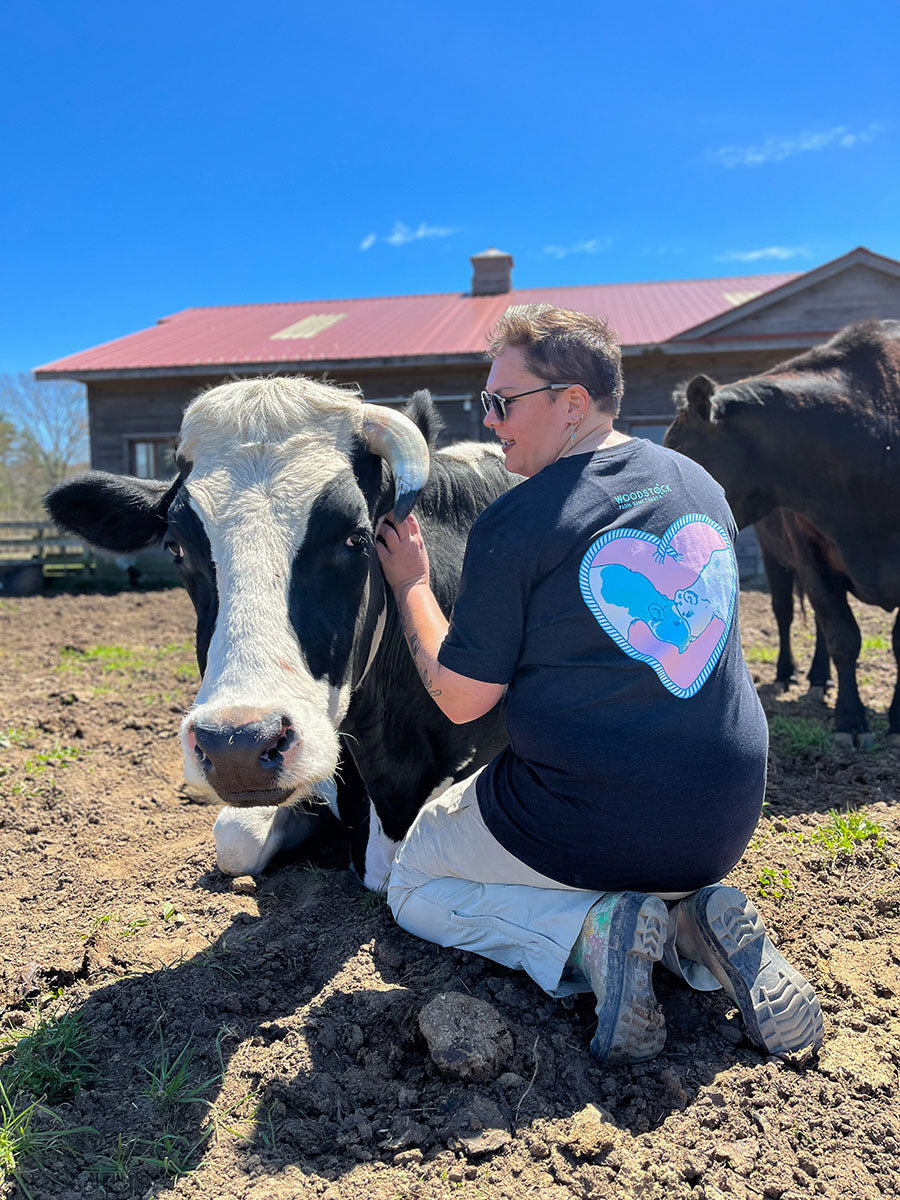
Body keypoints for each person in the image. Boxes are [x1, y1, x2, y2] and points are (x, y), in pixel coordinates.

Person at [375, 305, 823, 1064]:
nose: (488, 422)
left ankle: (592, 937)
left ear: (572, 404)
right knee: (639, 833)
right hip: (725, 817)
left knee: (414, 878)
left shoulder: (517, 523)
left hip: (595, 822)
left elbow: (461, 698)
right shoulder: (700, 486)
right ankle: (688, 930)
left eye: (502, 403)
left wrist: (413, 583)